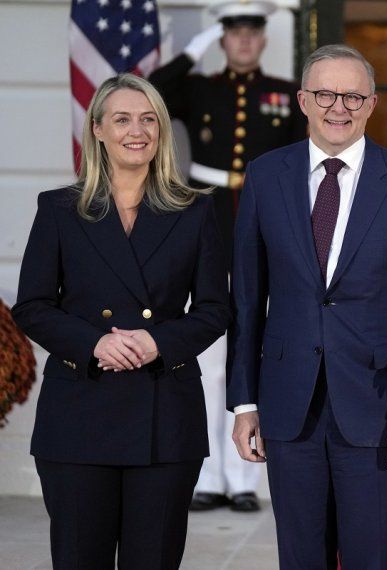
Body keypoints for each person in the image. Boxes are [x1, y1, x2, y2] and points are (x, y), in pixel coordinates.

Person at [227, 44, 387, 568]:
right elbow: (246, 297)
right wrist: (244, 403)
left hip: (375, 407)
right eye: (325, 94)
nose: (338, 108)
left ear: (372, 104)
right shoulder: (265, 176)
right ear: (303, 100)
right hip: (288, 407)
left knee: (370, 556)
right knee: (300, 557)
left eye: (353, 96)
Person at [12, 74, 231, 569]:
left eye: (149, 118)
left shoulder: (194, 211)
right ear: (97, 130)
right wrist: (93, 343)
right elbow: (33, 305)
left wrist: (159, 343)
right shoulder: (60, 209)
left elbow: (216, 309)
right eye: (123, 119)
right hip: (78, 417)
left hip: (166, 418)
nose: (138, 130)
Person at [148, 0, 307, 512]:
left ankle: (246, 480)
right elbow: (152, 94)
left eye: (251, 33)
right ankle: (211, 475)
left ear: (263, 39)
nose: (243, 41)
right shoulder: (199, 88)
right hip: (209, 228)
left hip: (264, 233)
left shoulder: (284, 94)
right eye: (232, 32)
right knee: (210, 361)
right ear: (223, 39)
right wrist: (191, 50)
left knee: (256, 355)